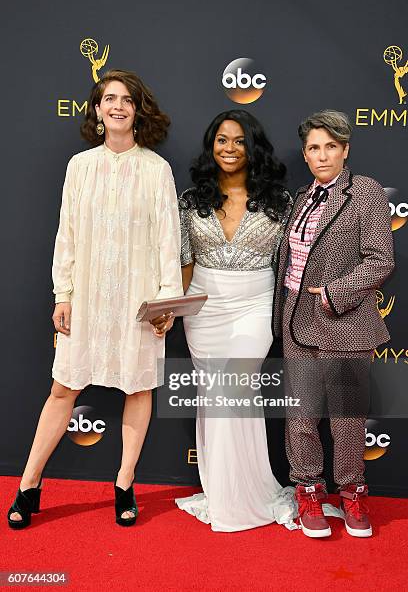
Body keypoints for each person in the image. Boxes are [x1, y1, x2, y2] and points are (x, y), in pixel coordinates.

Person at [7, 69, 183, 529]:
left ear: (138, 110)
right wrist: (62, 294)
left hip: (138, 301)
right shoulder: (79, 166)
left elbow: (169, 240)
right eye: (110, 98)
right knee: (62, 388)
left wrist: (167, 302)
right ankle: (29, 484)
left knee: (139, 388)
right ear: (98, 109)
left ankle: (124, 484)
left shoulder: (156, 169)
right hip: (85, 299)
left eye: (127, 99)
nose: (118, 106)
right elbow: (66, 235)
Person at [273, 109, 394, 538]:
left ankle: (352, 492)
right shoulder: (303, 197)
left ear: (344, 150)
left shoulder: (365, 192)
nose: (321, 155)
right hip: (296, 320)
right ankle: (307, 489)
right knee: (301, 415)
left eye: (329, 146)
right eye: (313, 148)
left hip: (343, 321)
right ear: (305, 155)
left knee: (346, 417)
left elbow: (381, 259)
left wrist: (334, 293)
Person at [175, 110, 296, 532]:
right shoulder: (191, 199)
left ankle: (247, 495)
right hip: (203, 306)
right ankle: (225, 491)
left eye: (239, 141)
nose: (229, 148)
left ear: (253, 146)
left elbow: (291, 265)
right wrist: (172, 307)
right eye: (222, 140)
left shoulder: (280, 201)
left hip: (255, 305)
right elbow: (183, 262)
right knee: (216, 399)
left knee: (234, 388)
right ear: (212, 145)